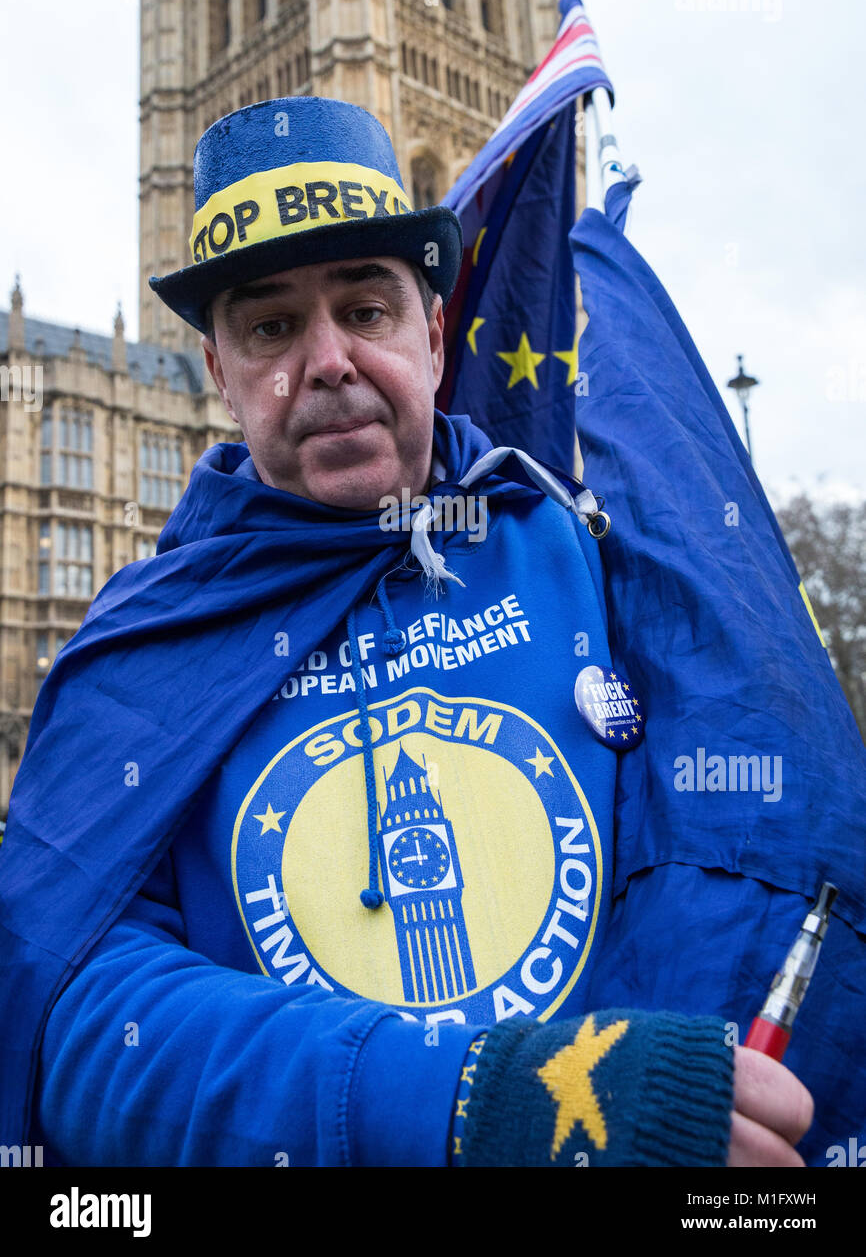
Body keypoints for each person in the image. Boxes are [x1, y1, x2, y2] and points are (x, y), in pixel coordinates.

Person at [3, 96, 812, 1167]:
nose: (327, 359)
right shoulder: (144, 648)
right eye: (271, 325)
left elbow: (749, 872)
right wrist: (467, 1106)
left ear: (432, 335)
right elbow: (83, 1017)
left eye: (366, 308)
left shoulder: (604, 561)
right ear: (220, 371)